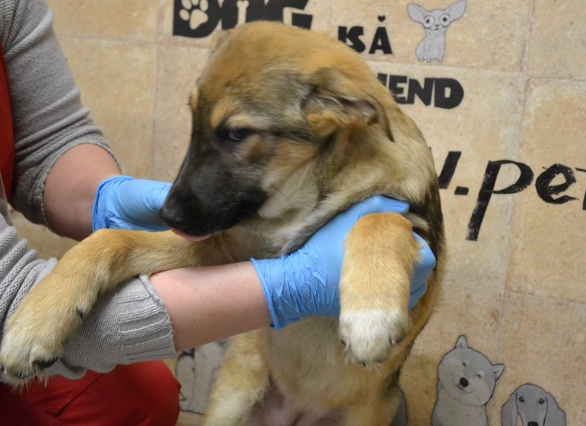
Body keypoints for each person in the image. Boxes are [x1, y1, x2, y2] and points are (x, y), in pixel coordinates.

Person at [0, 0, 436, 425]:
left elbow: (48, 137)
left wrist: (104, 197)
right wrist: (103, 252)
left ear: (344, 106)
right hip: (269, 377)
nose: (175, 203)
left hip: (356, 401)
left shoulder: (380, 160)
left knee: (146, 398)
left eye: (237, 134)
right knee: (145, 392)